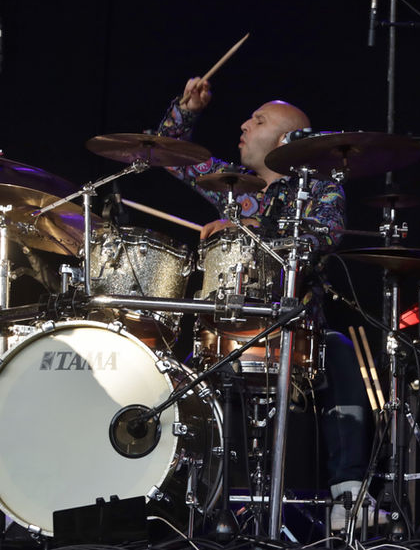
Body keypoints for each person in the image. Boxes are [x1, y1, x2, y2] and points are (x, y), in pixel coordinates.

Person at [157, 77, 374, 531]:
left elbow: (322, 235)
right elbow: (167, 152)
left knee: (339, 350)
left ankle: (348, 492)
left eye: (257, 120)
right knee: (166, 376)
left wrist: (248, 230)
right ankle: (164, 491)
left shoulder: (319, 189)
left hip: (296, 332)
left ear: (285, 140)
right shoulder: (235, 186)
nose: (243, 125)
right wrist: (187, 109)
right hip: (227, 330)